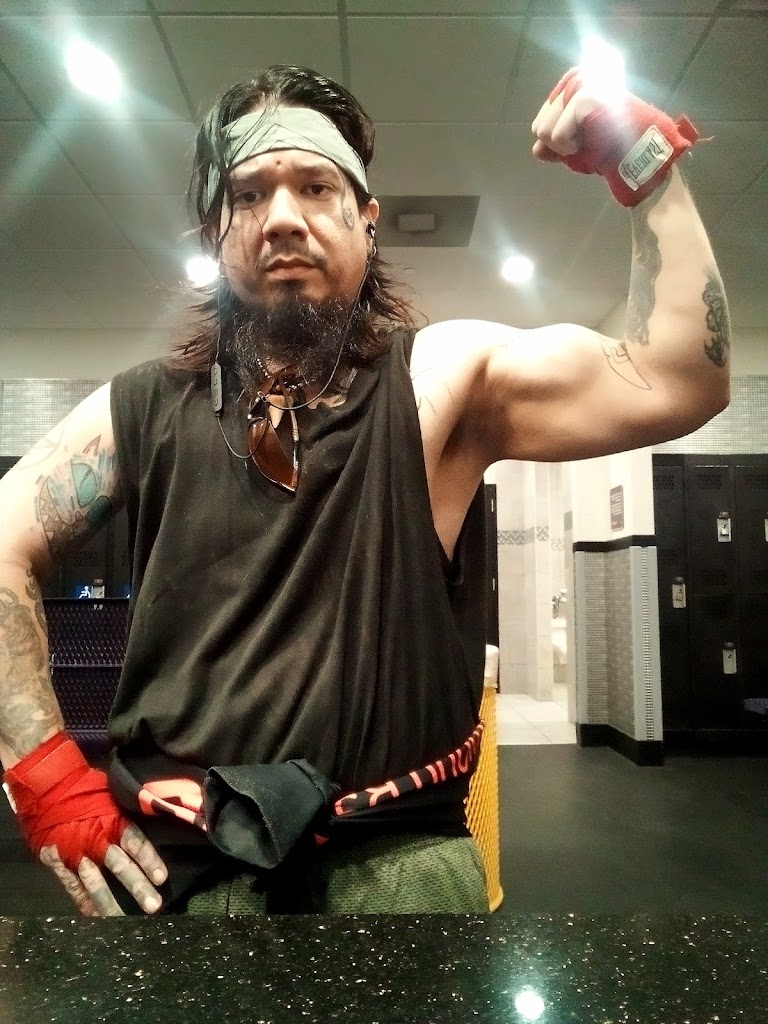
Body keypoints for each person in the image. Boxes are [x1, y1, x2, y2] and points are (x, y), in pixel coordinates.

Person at [0, 64, 729, 917]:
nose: (282, 217)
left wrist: (645, 164)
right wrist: (44, 775)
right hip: (181, 877)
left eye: (316, 186)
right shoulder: (139, 409)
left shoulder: (442, 383)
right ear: (213, 235)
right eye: (247, 194)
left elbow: (678, 376)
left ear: (367, 221)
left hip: (399, 875)